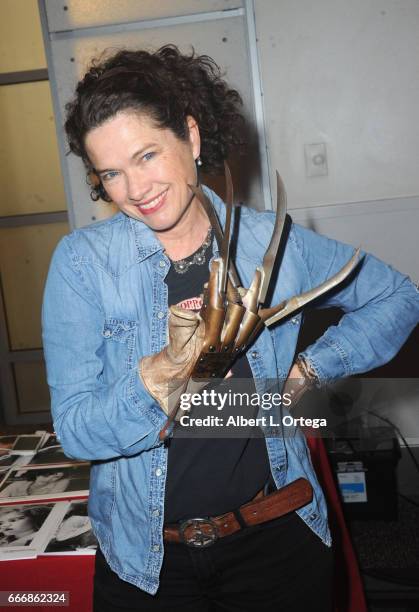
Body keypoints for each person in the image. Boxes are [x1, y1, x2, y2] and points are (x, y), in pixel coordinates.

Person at [42, 45, 419, 611]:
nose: (135, 189)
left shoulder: (273, 245)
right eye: (111, 173)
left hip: (275, 545)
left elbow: (398, 296)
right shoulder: (82, 265)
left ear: (191, 137)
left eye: (147, 155)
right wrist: (157, 378)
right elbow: (76, 430)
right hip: (147, 563)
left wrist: (309, 369)